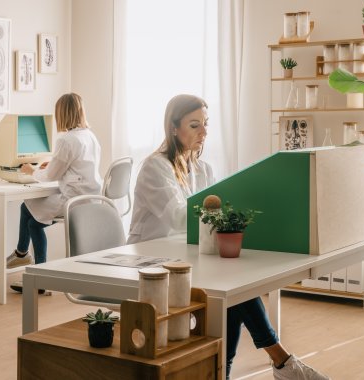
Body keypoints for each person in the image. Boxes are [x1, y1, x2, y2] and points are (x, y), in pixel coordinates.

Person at [128, 94, 329, 380]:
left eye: (206, 124)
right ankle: (280, 361)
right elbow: (178, 217)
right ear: (173, 128)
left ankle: (232, 370)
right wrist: (219, 207)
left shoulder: (202, 168)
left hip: (188, 256)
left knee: (233, 290)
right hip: (151, 262)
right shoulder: (155, 167)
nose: (204, 133)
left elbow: (211, 217)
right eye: (195, 125)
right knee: (233, 288)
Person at [6, 93, 102, 293]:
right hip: (90, 198)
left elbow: (50, 175)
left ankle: (38, 275)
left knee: (33, 222)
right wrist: (55, 164)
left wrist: (31, 170)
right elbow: (76, 165)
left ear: (61, 114)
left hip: (73, 201)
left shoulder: (66, 140)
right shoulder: (89, 135)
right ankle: (22, 254)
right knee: (27, 207)